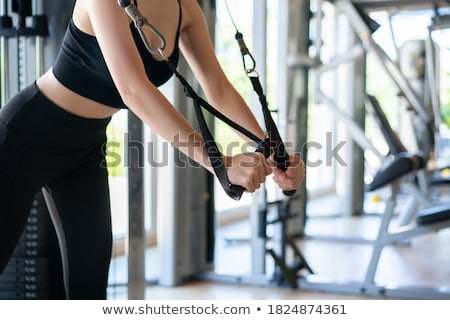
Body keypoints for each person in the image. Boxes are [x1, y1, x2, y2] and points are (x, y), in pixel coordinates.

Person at [0, 0, 305, 299]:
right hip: (24, 136)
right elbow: (133, 90)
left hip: (84, 151)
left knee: (89, 286)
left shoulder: (185, 8)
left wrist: (271, 151)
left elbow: (218, 89)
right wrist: (219, 163)